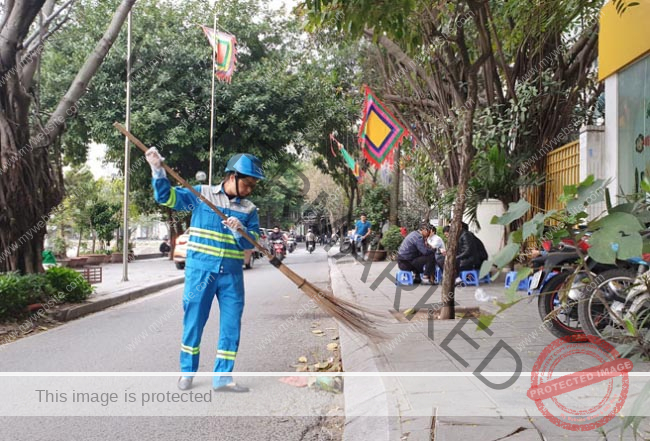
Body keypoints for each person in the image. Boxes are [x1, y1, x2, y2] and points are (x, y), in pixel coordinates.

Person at [146, 148, 264, 393]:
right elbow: (166, 198)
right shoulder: (202, 194)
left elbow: (252, 243)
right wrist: (157, 169)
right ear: (233, 177)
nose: (250, 189)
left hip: (231, 274)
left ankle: (223, 378)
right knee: (194, 322)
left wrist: (239, 230)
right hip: (201, 272)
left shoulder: (249, 210)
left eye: (254, 185)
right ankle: (187, 372)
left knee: (231, 325)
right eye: (248, 184)